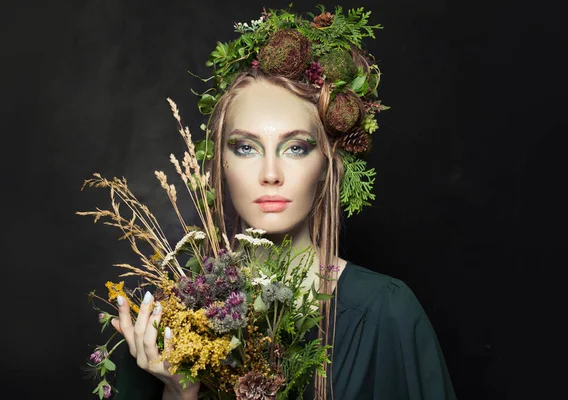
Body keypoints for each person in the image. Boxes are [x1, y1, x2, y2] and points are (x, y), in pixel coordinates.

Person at [109, 6, 457, 400]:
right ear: (220, 164)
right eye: (246, 148)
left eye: (295, 148)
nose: (270, 173)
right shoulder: (166, 325)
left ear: (326, 164)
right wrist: (179, 392)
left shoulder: (386, 315)